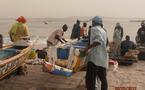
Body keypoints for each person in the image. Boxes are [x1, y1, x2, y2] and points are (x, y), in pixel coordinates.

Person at [85, 16, 108, 90]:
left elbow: (98, 41)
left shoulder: (93, 29)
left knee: (90, 80)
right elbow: (106, 43)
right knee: (103, 79)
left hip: (94, 59)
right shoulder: (103, 31)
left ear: (94, 22)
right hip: (103, 59)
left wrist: (87, 48)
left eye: (92, 22)